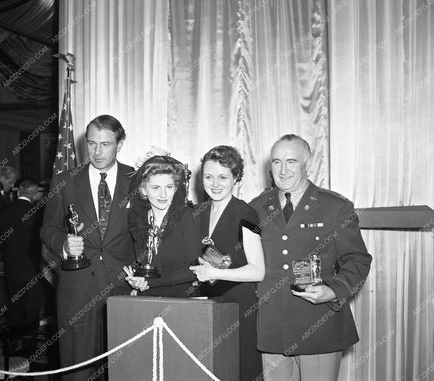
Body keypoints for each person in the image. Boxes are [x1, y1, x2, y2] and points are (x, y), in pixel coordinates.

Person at [249, 134, 372, 381]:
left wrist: (334, 290)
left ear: (308, 163)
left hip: (318, 323)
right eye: (276, 162)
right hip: (272, 326)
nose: (282, 170)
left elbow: (357, 259)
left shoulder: (335, 206)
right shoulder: (256, 207)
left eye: (291, 161)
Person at [40, 114, 135, 381]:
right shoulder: (65, 180)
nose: (97, 151)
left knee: (125, 370)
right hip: (77, 291)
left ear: (120, 143)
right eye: (92, 144)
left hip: (124, 288)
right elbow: (47, 229)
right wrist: (63, 244)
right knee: (79, 372)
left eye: (105, 144)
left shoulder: (137, 179)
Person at [189, 145, 265, 381]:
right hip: (205, 306)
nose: (215, 184)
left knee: (239, 370)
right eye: (209, 177)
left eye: (223, 177)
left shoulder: (248, 214)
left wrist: (216, 273)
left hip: (239, 307)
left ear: (236, 179)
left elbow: (258, 271)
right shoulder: (197, 212)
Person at [123, 155, 200, 297]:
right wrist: (135, 280)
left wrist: (149, 283)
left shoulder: (187, 217)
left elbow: (193, 269)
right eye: (155, 188)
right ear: (143, 190)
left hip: (181, 300)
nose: (163, 194)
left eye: (169, 187)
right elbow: (137, 264)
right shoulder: (137, 220)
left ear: (176, 188)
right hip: (146, 299)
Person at [0, 180, 44, 340]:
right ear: (34, 194)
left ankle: (13, 341)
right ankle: (31, 342)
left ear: (17, 192)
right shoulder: (40, 213)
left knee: (14, 302)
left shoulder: (2, 212)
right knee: (33, 304)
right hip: (34, 265)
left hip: (12, 265)